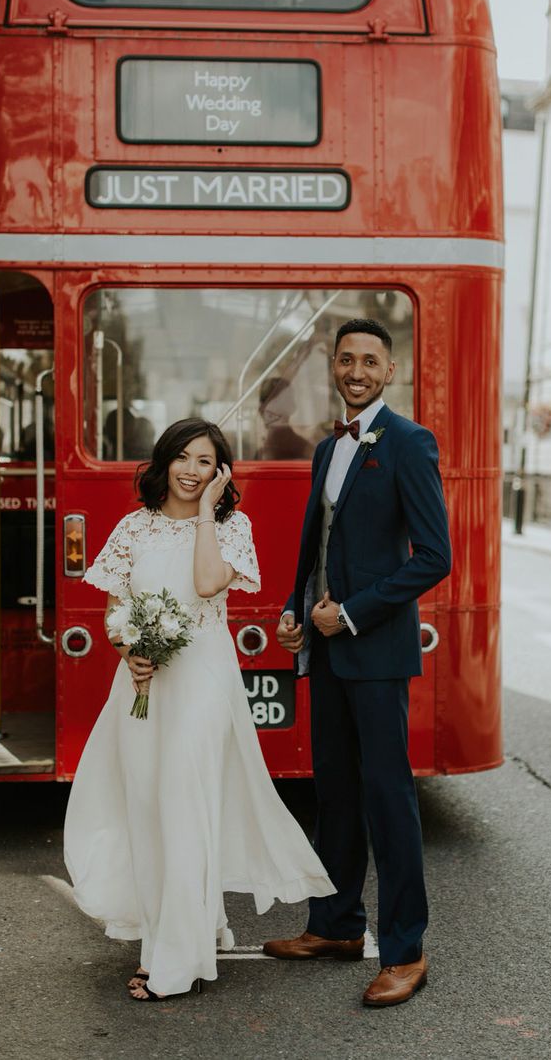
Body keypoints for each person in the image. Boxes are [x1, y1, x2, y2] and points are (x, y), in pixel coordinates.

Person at [64, 417, 334, 1002]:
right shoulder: (133, 528)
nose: (192, 470)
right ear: (164, 462)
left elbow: (209, 584)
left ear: (220, 472)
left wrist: (209, 513)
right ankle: (177, 934)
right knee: (147, 810)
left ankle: (176, 962)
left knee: (185, 806)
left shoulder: (233, 527)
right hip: (141, 686)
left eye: (206, 462)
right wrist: (128, 647)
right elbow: (115, 610)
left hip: (205, 682)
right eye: (184, 458)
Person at [262, 318, 451, 1008]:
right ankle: (337, 926)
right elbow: (318, 547)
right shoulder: (324, 449)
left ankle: (407, 950)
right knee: (334, 792)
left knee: (388, 799)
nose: (357, 370)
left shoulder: (408, 443)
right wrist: (295, 613)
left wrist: (353, 612)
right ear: (334, 369)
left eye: (370, 360)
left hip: (374, 650)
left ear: (389, 371)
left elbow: (435, 556)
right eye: (347, 359)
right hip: (328, 652)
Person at [256, 377, 315, 461]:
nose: (293, 400)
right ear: (272, 403)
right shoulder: (282, 435)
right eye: (288, 395)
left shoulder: (277, 435)